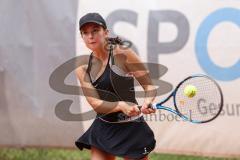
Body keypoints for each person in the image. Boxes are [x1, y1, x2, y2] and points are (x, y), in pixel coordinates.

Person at [75, 12, 157, 160]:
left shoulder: (122, 53)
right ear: (82, 37)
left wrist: (148, 101)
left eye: (95, 30)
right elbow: (95, 103)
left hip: (131, 127)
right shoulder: (81, 68)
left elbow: (149, 86)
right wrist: (120, 105)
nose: (90, 36)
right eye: (85, 33)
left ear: (106, 32)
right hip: (104, 127)